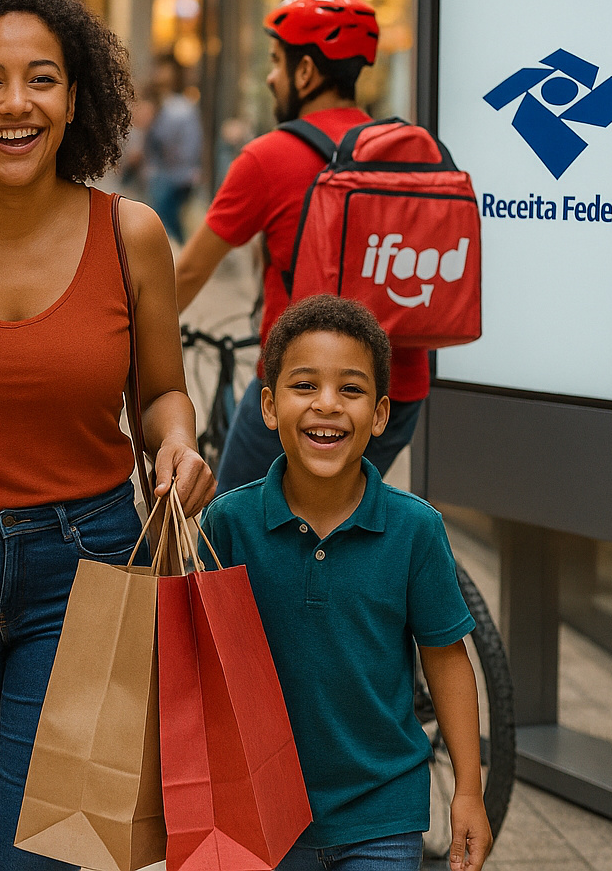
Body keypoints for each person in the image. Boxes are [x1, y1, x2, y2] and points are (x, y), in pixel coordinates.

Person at [0, 0, 215, 871]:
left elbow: (161, 393)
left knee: (52, 849)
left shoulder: (131, 234)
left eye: (42, 79)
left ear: (75, 101)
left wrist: (178, 440)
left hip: (86, 569)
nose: (15, 104)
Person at [199, 295, 491, 871]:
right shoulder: (228, 523)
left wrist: (468, 791)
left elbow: (447, 659)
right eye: (304, 385)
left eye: (350, 389)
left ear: (380, 415)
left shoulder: (415, 529)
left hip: (382, 813)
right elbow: (198, 663)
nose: (327, 404)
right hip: (259, 815)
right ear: (268, 406)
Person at [174, 0, 428, 494]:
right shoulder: (401, 151)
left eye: (276, 61)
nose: (271, 77)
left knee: (232, 523)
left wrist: (128, 349)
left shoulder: (268, 158)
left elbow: (188, 273)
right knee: (343, 517)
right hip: (396, 393)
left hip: (303, 390)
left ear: (306, 71)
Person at [143, 55, 202, 243]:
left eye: (164, 70)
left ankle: (182, 254)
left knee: (168, 225)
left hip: (176, 176)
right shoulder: (157, 103)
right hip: (161, 175)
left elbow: (189, 147)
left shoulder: (182, 107)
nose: (160, 75)